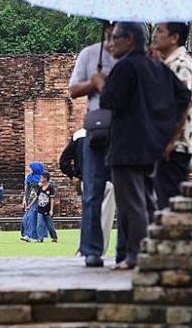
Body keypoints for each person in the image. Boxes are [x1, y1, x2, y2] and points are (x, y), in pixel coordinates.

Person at [96, 22, 191, 270]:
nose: (110, 43)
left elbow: (109, 101)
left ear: (129, 39)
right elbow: (183, 96)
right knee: (148, 201)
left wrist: (100, 83)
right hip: (150, 146)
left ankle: (137, 254)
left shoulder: (126, 66)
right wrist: (166, 130)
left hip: (127, 145)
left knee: (132, 203)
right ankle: (150, 250)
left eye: (115, 37)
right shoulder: (156, 65)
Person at [69, 20, 122, 267]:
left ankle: (127, 248)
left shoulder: (134, 57)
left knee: (128, 192)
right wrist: (95, 82)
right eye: (110, 26)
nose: (114, 31)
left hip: (127, 129)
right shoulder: (91, 54)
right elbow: (73, 89)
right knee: (92, 191)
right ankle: (91, 250)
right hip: (98, 129)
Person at [151, 22, 192, 209]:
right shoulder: (169, 64)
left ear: (174, 38)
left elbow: (182, 103)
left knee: (170, 203)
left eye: (161, 31)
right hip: (168, 144)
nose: (156, 35)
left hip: (174, 147)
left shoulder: (180, 65)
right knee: (165, 201)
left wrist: (170, 140)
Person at [20, 162, 44, 242]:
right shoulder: (29, 177)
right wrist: (24, 200)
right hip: (30, 199)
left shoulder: (42, 178)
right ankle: (26, 234)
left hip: (39, 200)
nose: (29, 169)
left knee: (34, 218)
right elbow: (27, 190)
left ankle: (32, 235)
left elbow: (41, 191)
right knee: (26, 218)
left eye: (31, 168)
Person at [35, 172, 58, 242]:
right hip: (40, 208)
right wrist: (29, 206)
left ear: (45, 178)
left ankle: (54, 237)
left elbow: (52, 199)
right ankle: (40, 238)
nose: (40, 179)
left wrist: (51, 210)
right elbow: (36, 197)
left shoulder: (50, 188)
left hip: (47, 209)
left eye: (42, 177)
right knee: (39, 224)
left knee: (50, 225)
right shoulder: (40, 187)